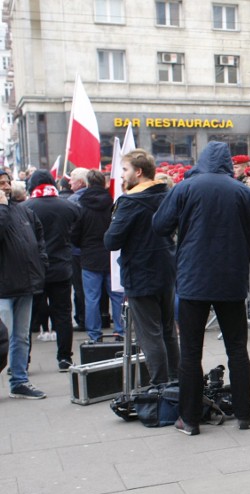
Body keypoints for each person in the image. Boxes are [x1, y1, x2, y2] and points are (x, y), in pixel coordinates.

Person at [152, 141, 250, 435]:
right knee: (237, 350)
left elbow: (160, 225)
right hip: (231, 280)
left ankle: (189, 419)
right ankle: (245, 414)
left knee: (190, 352)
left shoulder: (185, 188)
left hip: (193, 280)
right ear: (228, 163)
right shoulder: (243, 191)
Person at [103, 149, 179, 386]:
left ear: (138, 171)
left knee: (150, 334)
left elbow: (111, 240)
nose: (122, 175)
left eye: (125, 170)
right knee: (167, 330)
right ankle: (176, 382)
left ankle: (160, 386)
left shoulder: (130, 201)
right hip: (165, 270)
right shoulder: (166, 194)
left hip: (140, 273)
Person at [21, 170, 80, 371]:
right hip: (62, 267)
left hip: (35, 270)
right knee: (63, 314)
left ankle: (24, 360)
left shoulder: (25, 207)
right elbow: (76, 232)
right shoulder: (69, 206)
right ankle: (64, 357)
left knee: (28, 317)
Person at [0, 168, 48, 399]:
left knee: (21, 336)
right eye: (0, 183)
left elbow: (38, 238)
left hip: (25, 284)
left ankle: (19, 380)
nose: (5, 187)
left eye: (6, 182)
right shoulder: (4, 211)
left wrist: (42, 263)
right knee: (3, 337)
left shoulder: (23, 211)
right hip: (3, 289)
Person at [70, 169, 125, 342]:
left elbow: (74, 234)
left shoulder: (81, 206)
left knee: (92, 298)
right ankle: (120, 330)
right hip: (111, 255)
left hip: (89, 256)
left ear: (87, 184)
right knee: (116, 295)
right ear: (104, 183)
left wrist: (82, 246)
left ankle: (94, 334)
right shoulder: (113, 204)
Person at [67, 167, 89, 329]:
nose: (69, 182)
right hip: (97, 249)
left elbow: (71, 228)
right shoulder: (104, 197)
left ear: (80, 182)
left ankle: (82, 318)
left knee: (80, 288)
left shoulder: (73, 201)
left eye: (72, 179)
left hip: (77, 251)